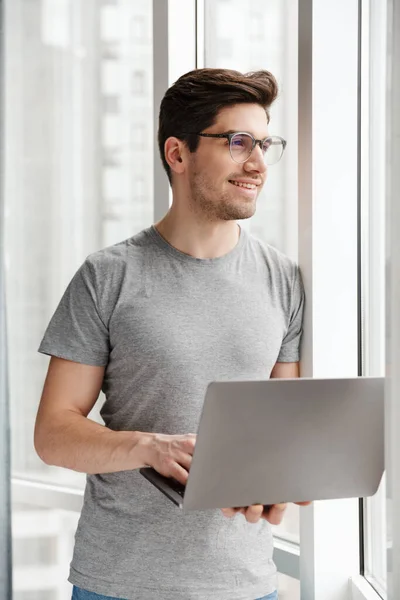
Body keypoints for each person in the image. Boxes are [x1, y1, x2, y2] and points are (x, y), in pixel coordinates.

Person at [34, 68, 309, 600]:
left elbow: (284, 428)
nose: (257, 163)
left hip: (248, 586)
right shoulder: (108, 275)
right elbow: (52, 433)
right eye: (237, 142)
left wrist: (282, 480)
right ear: (177, 154)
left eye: (264, 144)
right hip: (118, 584)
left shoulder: (285, 280)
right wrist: (147, 447)